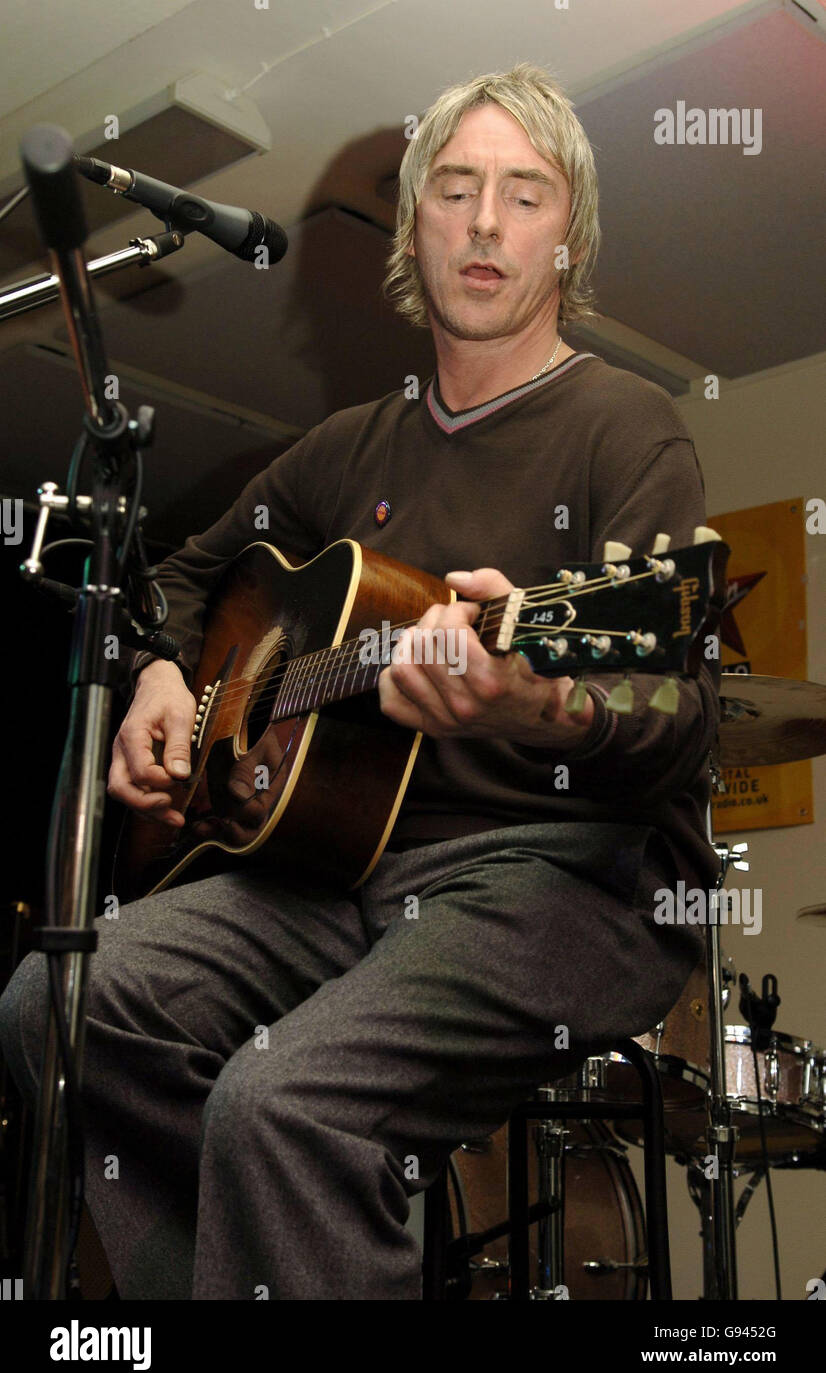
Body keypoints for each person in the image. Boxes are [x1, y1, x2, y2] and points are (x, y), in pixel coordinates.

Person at [0, 62, 719, 1300]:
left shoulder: (627, 428)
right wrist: (164, 675)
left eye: (524, 195)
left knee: (282, 1103)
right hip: (339, 870)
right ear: (414, 227)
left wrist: (531, 701)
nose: (486, 223)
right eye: (455, 190)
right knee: (52, 1006)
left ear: (568, 240)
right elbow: (172, 576)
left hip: (554, 874)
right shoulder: (348, 448)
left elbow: (682, 713)